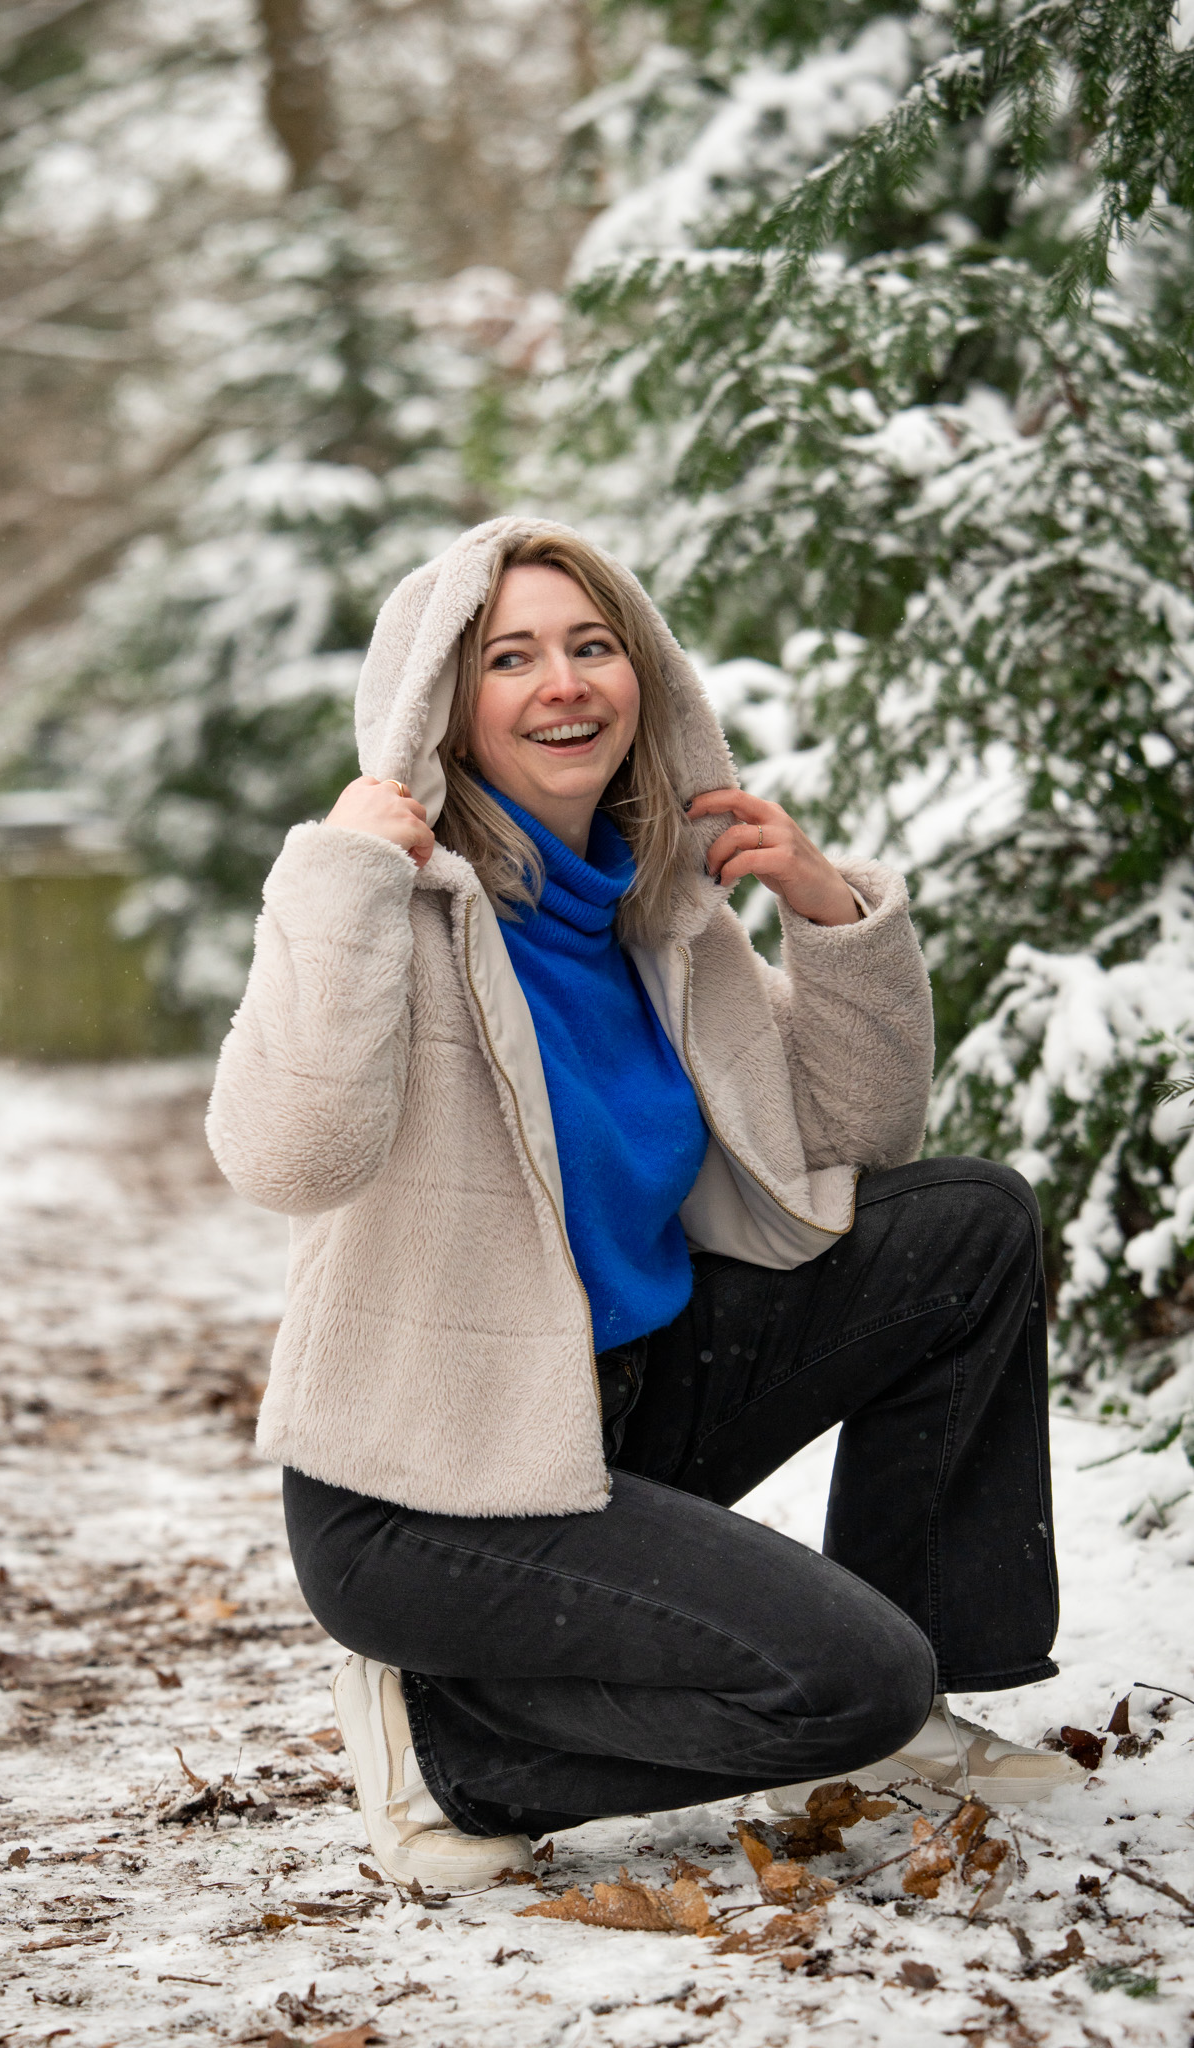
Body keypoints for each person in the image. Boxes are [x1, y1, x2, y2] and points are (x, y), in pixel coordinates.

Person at [207, 516, 1080, 1890]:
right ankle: (452, 1739)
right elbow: (288, 1159)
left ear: (643, 677)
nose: (562, 682)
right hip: (422, 1495)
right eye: (510, 657)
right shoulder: (385, 905)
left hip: (617, 1409)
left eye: (590, 645)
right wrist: (341, 874)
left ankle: (916, 1702)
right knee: (834, 1685)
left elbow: (861, 1141)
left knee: (965, 1221)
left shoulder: (656, 910)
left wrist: (826, 911)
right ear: (442, 702)